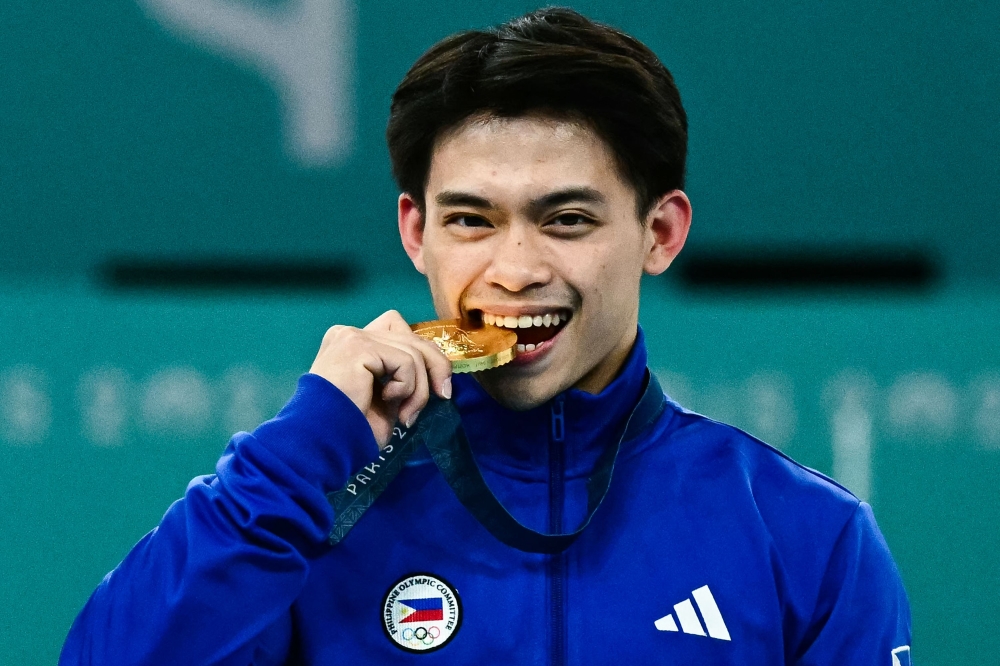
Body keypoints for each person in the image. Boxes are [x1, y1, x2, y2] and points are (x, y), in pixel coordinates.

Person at [61, 7, 911, 665]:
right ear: (416, 232)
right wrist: (293, 456)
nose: (514, 267)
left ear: (660, 234)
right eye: (471, 220)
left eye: (567, 219)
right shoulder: (299, 510)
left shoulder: (807, 537)